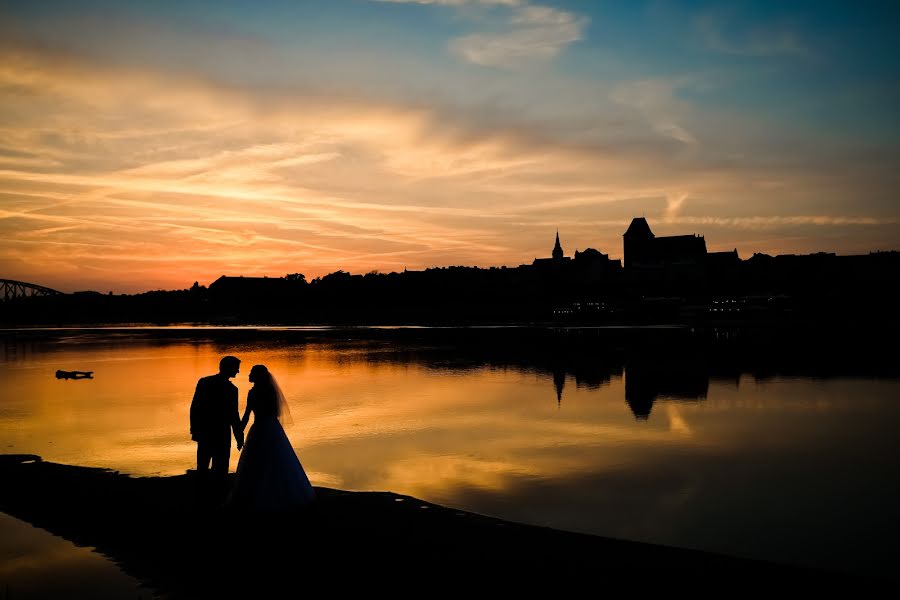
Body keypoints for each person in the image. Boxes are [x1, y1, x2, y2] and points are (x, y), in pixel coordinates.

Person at [227, 364, 315, 511]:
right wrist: (239, 432)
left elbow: (247, 415)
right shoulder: (269, 392)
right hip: (271, 427)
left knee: (259, 459)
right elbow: (274, 413)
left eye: (251, 373)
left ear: (257, 376)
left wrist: (240, 431)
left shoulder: (253, 392)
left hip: (260, 428)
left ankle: (255, 495)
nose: (248, 375)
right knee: (275, 458)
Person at [190, 355, 244, 504]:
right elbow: (234, 415)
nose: (238, 371)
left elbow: (195, 408)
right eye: (236, 368)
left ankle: (205, 497)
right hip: (216, 433)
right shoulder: (229, 389)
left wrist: (194, 429)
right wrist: (239, 436)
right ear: (229, 368)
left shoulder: (206, 382)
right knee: (214, 467)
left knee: (207, 466)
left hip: (209, 432)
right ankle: (211, 498)